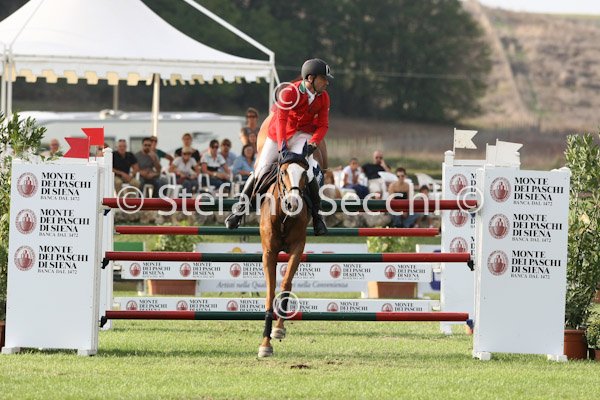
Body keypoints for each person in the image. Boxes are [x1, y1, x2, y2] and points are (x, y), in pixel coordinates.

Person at [225, 58, 334, 235]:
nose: (326, 82)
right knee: (260, 169)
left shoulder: (324, 98)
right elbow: (281, 120)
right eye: (323, 78)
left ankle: (317, 216)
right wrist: (282, 145)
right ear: (310, 78)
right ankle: (239, 210)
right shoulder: (290, 92)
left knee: (310, 169)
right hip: (278, 134)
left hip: (302, 135)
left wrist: (313, 143)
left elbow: (323, 125)